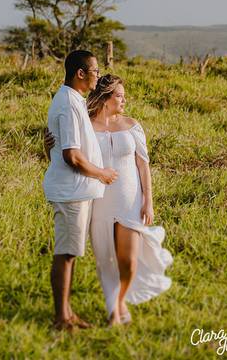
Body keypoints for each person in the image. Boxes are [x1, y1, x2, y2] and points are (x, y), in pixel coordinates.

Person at [46, 74, 172, 326]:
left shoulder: (132, 124)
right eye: (119, 96)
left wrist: (148, 200)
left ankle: (121, 298)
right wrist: (48, 142)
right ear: (105, 98)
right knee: (106, 260)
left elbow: (143, 165)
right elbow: (68, 151)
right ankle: (114, 309)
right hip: (100, 200)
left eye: (124, 96)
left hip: (130, 198)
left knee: (128, 261)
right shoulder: (86, 126)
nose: (124, 100)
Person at [43, 50, 119, 332]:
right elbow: (71, 156)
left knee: (70, 253)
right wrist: (102, 174)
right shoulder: (68, 103)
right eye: (95, 71)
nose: (98, 75)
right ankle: (61, 317)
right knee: (65, 253)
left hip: (76, 190)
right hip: (71, 192)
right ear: (80, 73)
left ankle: (67, 313)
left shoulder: (74, 100)